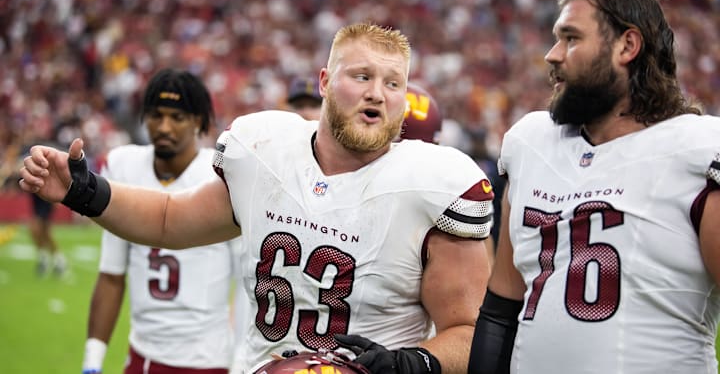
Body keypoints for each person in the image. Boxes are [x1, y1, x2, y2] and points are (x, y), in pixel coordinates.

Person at [20, 22, 495, 374]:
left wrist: (404, 364)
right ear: (325, 83)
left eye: (393, 83)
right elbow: (169, 219)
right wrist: (84, 191)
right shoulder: (267, 150)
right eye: (362, 76)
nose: (377, 93)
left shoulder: (433, 182)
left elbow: (473, 334)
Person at [468, 0, 720, 374]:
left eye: (570, 38)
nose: (552, 55)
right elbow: (502, 311)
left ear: (627, 46)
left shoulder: (697, 149)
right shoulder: (531, 144)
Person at [81, 69, 238, 374]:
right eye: (156, 115)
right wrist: (92, 360)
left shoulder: (222, 173)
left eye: (177, 117)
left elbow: (247, 283)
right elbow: (111, 272)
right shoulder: (123, 165)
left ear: (198, 121)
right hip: (143, 356)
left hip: (208, 360)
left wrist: (241, 361)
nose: (164, 126)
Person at [28, 193, 66, 277]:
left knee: (38, 229)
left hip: (45, 198)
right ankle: (56, 260)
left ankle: (52, 260)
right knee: (44, 233)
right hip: (37, 197)